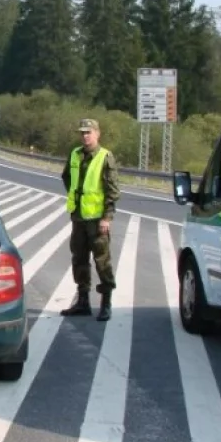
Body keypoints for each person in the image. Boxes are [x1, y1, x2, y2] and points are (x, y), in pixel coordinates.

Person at [59, 118, 121, 322]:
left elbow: (112, 191)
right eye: (82, 133)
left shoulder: (105, 157)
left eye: (89, 132)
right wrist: (76, 198)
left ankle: (106, 304)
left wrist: (107, 217)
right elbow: (66, 177)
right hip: (79, 218)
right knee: (79, 259)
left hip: (97, 220)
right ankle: (83, 302)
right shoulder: (75, 154)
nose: (85, 136)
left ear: (97, 133)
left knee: (102, 261)